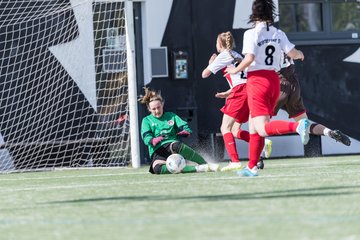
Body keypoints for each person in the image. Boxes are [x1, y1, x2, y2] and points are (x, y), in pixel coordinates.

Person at [226, 0, 309, 177]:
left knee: (262, 128)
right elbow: (293, 53)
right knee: (255, 128)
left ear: (254, 14)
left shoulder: (251, 33)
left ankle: (297, 127)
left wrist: (235, 69)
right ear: (271, 13)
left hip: (258, 81)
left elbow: (249, 58)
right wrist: (301, 55)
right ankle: (251, 167)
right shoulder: (279, 33)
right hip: (273, 80)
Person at [201, 31, 272, 172]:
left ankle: (234, 161)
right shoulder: (237, 55)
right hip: (248, 90)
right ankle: (262, 144)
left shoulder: (223, 56)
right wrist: (228, 93)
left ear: (219, 44)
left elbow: (204, 74)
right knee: (234, 130)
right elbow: (242, 79)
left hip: (240, 93)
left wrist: (211, 64)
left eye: (216, 42)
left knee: (224, 128)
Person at [139, 87, 220, 174]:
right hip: (158, 151)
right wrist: (152, 140)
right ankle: (199, 168)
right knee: (157, 169)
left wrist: (185, 131)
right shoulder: (146, 120)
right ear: (149, 109)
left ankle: (205, 164)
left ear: (162, 104)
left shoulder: (171, 116)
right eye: (154, 109)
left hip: (172, 147)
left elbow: (183, 125)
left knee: (176, 145)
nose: (157, 111)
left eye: (158, 107)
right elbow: (146, 136)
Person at [276, 53, 351, 146]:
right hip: (293, 86)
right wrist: (299, 54)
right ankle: (330, 133)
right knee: (304, 123)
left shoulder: (262, 42)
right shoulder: (281, 39)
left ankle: (260, 155)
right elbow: (296, 53)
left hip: (278, 85)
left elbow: (254, 60)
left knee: (259, 125)